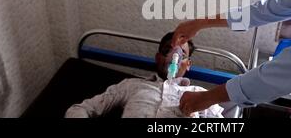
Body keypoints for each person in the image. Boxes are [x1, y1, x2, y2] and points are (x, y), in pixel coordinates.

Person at [65, 32, 224, 118]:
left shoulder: (202, 94)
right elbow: (81, 109)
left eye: (181, 53)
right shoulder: (131, 85)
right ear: (157, 57)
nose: (173, 56)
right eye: (167, 50)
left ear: (188, 64)